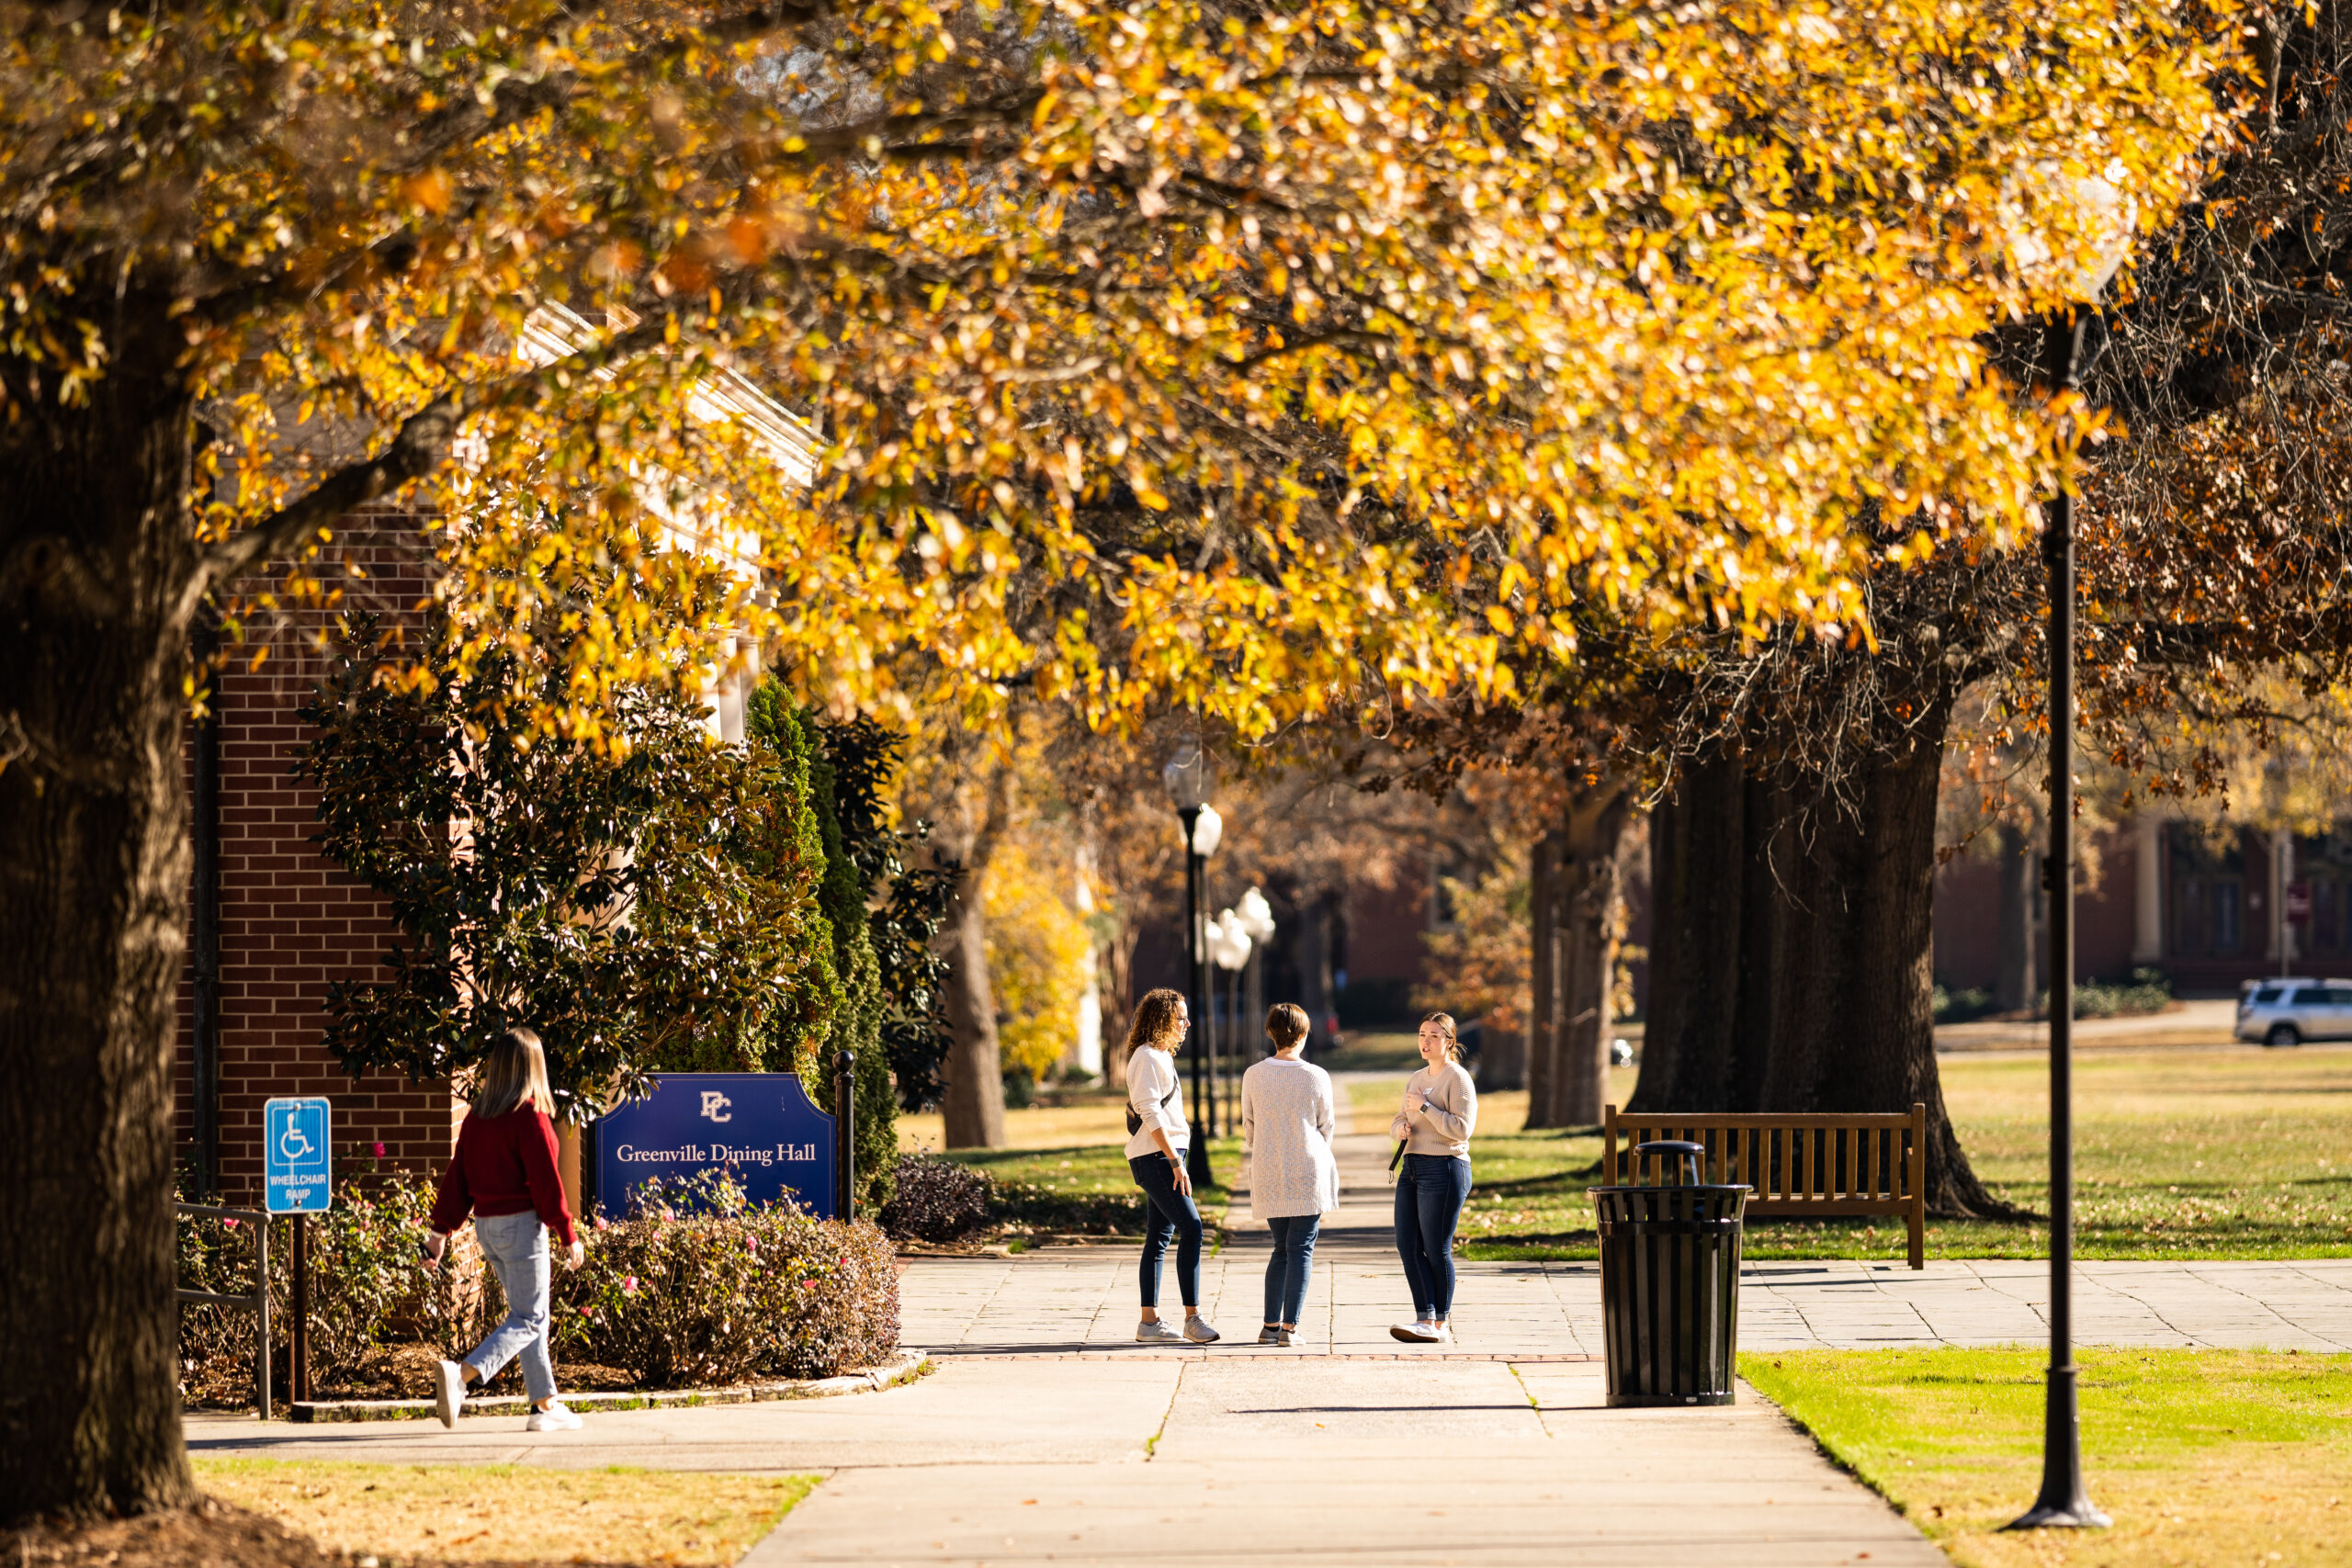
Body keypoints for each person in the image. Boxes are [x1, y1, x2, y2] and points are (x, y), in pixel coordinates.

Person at [422, 1027, 586, 1430]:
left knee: (528, 1317)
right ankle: (461, 1377)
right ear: (534, 1068)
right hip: (521, 1228)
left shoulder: (478, 1118)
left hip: (487, 1230)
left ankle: (544, 1407)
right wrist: (568, 1234)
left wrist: (439, 1233)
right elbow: (548, 1183)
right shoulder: (530, 1117)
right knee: (530, 1318)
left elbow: (457, 1176)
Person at [1239, 1003, 1338, 1346]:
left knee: (1280, 1248)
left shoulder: (1253, 1074)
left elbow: (1249, 1128)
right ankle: (1290, 1329)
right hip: (1307, 1169)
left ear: (1270, 1033)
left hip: (1268, 1169)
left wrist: (1269, 1144)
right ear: (1303, 1034)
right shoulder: (1315, 1076)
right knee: (1302, 1249)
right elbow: (1326, 1126)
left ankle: (1269, 1327)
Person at [1125, 987, 1220, 1344]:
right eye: (1180, 1017)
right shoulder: (1147, 1057)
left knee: (1160, 1237)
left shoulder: (1160, 1056)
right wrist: (1174, 1160)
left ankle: (1149, 1323)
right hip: (1157, 1157)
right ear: (1162, 1019)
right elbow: (1149, 1111)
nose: (1186, 1023)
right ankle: (1192, 1318)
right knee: (1192, 1227)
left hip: (1163, 1155)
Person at [1390, 1010, 1477, 1343]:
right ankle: (1423, 1318)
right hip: (1411, 1167)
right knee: (1407, 1244)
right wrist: (1400, 1127)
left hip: (1445, 1167)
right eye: (1422, 1034)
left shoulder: (1457, 1079)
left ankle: (1438, 1322)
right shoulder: (1416, 1078)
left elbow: (1461, 1129)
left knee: (1435, 1246)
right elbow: (1398, 1117)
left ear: (1449, 1042)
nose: (1426, 1041)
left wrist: (1426, 1108)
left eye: (1434, 1036)